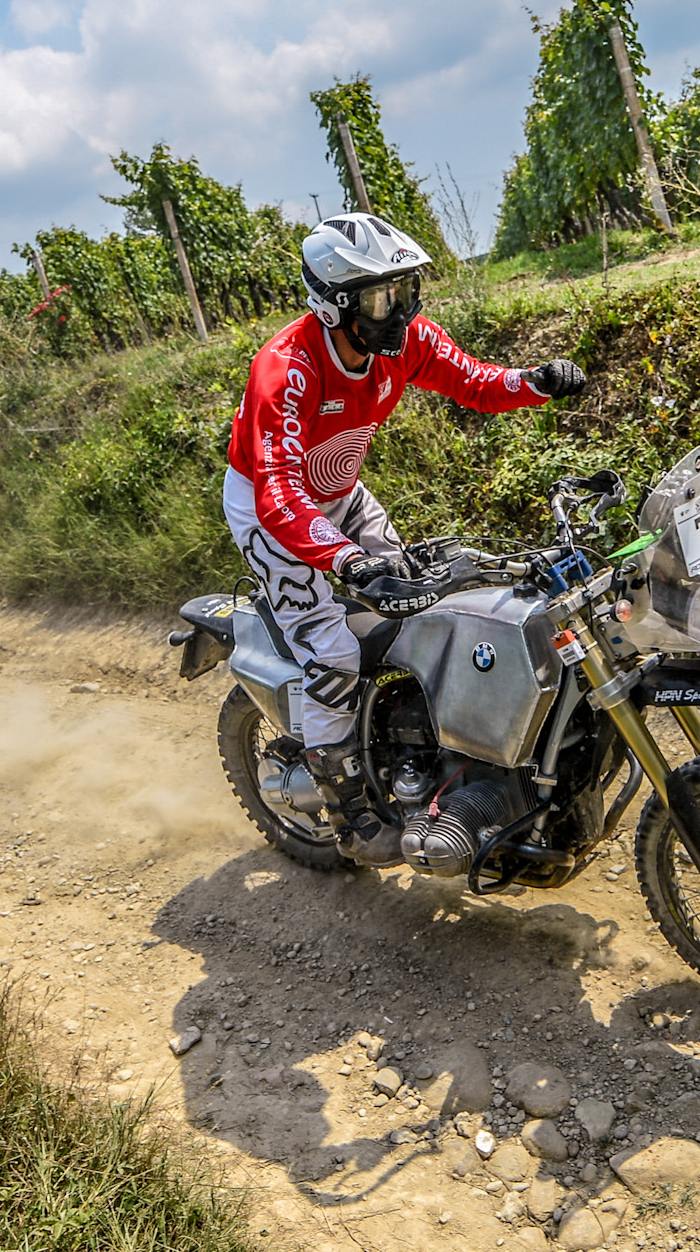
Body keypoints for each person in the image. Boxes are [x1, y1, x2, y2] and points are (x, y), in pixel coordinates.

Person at [223, 213, 585, 865]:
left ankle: (425, 753)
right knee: (332, 653)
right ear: (334, 304)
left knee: (423, 606)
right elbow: (279, 495)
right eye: (379, 298)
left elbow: (473, 381)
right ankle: (351, 817)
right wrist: (345, 559)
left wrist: (535, 382)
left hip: (339, 492)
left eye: (406, 290)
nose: (400, 311)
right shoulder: (287, 368)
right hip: (269, 510)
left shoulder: (405, 341)